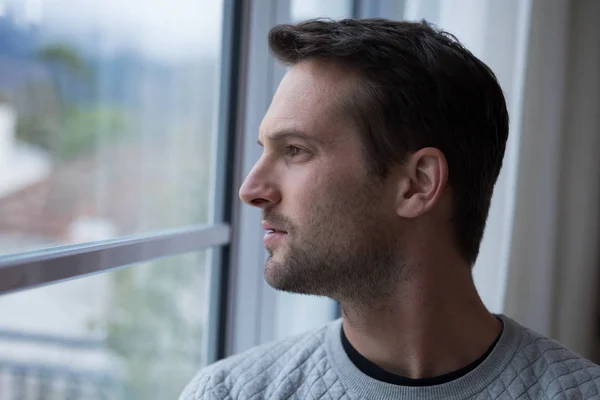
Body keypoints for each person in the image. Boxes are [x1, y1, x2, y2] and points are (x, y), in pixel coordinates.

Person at [180, 18, 600, 400]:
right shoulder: (229, 393)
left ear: (418, 183)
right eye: (265, 151)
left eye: (295, 150)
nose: (250, 189)